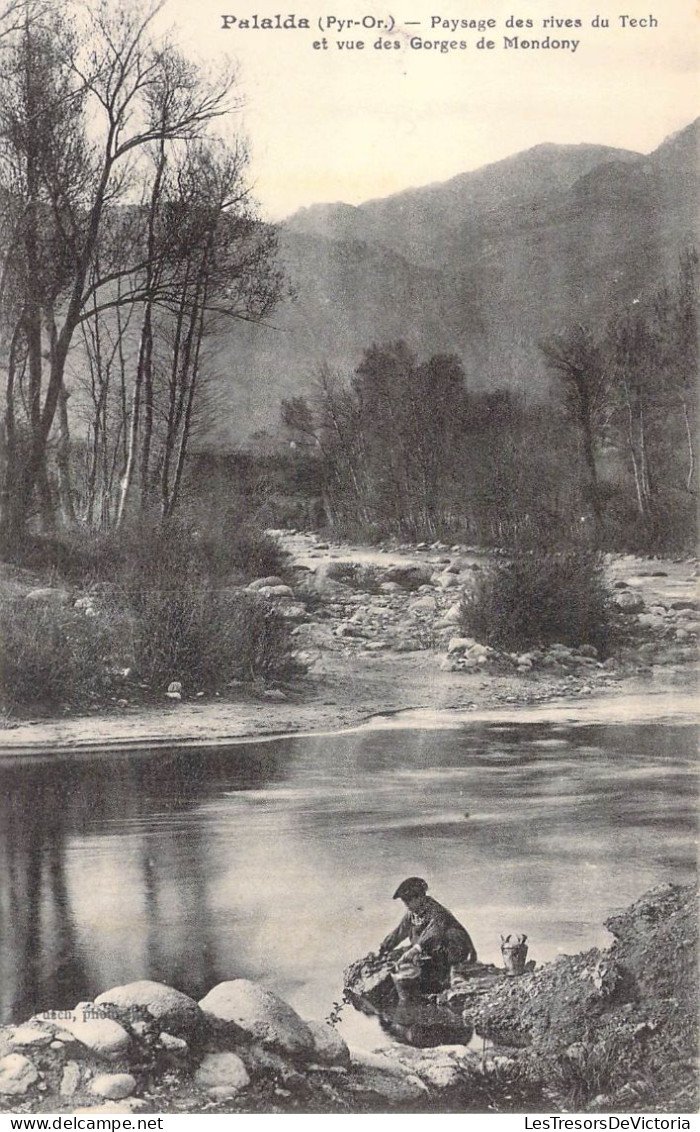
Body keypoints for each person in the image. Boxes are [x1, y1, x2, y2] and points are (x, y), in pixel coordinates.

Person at [378, 877, 477, 992]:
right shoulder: (412, 915)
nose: (407, 905)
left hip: (455, 950)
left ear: (420, 897)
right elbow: (399, 932)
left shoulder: (436, 911)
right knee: (400, 955)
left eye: (409, 901)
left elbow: (433, 933)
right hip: (433, 953)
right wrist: (385, 947)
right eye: (405, 902)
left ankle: (457, 973)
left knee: (452, 934)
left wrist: (414, 950)